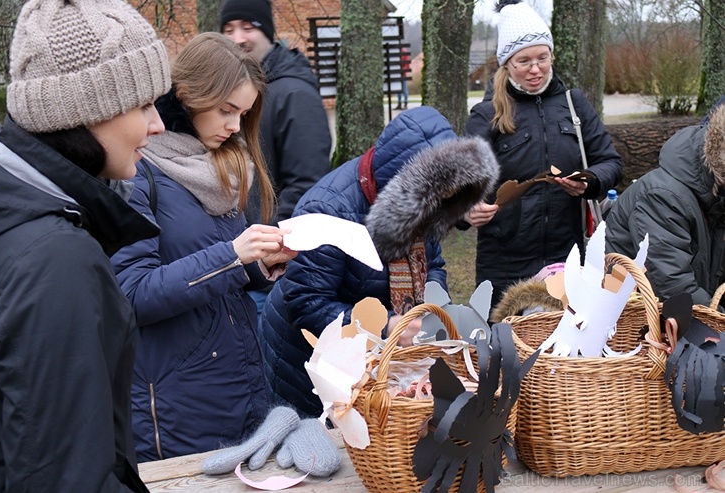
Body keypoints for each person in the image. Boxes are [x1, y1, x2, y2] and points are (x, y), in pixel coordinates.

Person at [0, 0, 171, 490]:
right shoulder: (55, 259)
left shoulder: (10, 216)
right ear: (87, 112)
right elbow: (67, 475)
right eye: (144, 105)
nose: (159, 125)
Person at [110, 32, 297, 462]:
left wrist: (262, 262)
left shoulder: (216, 165)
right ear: (188, 96)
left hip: (237, 376)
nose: (234, 126)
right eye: (226, 111)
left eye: (243, 114)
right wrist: (234, 254)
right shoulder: (138, 172)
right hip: (178, 398)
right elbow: (131, 293)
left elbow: (215, 265)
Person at [259, 106, 500, 417]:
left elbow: (433, 263)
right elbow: (306, 303)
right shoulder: (329, 208)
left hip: (374, 359)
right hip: (310, 363)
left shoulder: (423, 202)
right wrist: (385, 325)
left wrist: (428, 305)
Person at [462, 0, 622, 313]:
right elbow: (457, 185)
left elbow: (611, 163)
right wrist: (466, 212)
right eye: (523, 61)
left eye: (542, 58)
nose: (535, 69)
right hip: (504, 263)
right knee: (507, 353)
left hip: (567, 257)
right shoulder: (487, 114)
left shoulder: (573, 104)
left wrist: (590, 181)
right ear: (506, 63)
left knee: (565, 350)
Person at [220, 0, 333, 314]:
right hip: (242, 264)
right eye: (228, 29)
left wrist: (267, 252)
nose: (238, 37)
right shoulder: (245, 90)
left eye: (248, 27)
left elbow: (308, 188)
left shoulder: (293, 95)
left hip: (272, 275)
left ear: (268, 32)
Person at [605, 103, 725, 307]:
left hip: (695, 312)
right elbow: (673, 288)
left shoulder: (716, 189)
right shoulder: (663, 197)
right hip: (632, 320)